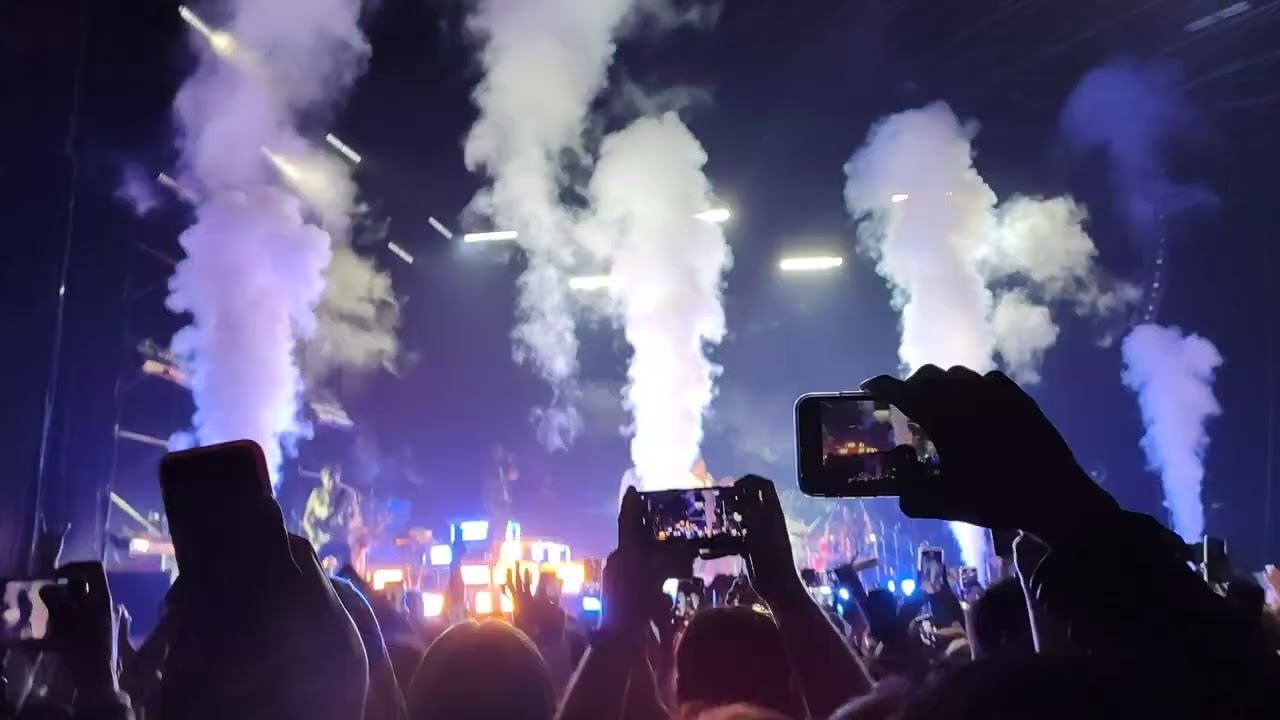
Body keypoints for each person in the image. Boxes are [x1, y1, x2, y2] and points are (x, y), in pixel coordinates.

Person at [303, 465, 363, 569]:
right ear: (323, 478)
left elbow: (357, 518)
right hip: (321, 541)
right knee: (313, 570)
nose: (332, 481)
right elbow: (307, 519)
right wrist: (313, 533)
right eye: (329, 478)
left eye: (334, 477)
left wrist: (348, 523)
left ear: (339, 477)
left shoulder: (348, 494)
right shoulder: (316, 494)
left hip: (341, 540)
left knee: (347, 571)